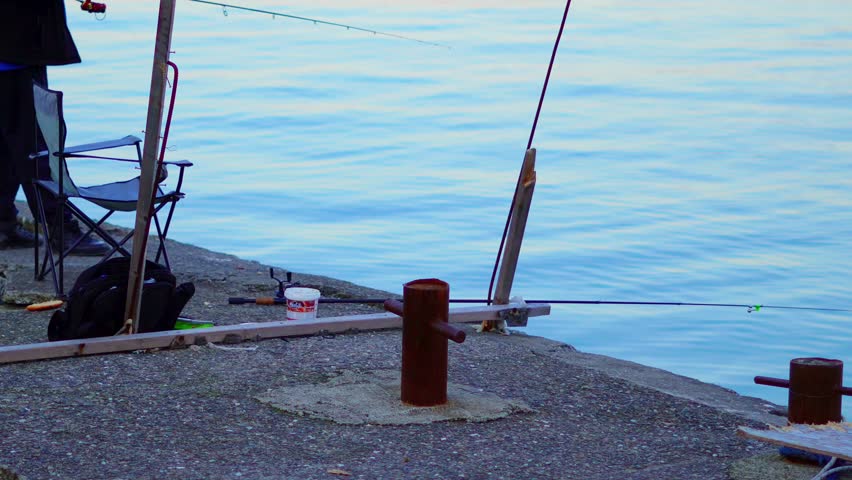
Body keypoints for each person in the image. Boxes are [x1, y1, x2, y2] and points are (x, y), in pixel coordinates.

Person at [0, 1, 109, 255]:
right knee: (37, 145)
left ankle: (2, 223)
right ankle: (60, 228)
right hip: (15, 53)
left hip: (13, 52)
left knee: (6, 144)